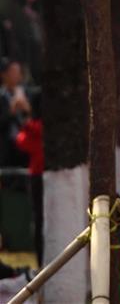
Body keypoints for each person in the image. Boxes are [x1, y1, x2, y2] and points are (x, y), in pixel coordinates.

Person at [15, 90, 43, 265]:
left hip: (36, 177)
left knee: (38, 221)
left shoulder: (32, 128)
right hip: (39, 176)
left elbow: (21, 141)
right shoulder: (37, 128)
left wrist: (24, 116)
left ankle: (41, 259)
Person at [0, 60, 31, 166]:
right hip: (6, 147)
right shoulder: (2, 96)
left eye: (18, 72)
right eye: (13, 72)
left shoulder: (26, 93)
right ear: (4, 75)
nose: (16, 75)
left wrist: (27, 108)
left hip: (25, 146)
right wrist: (11, 110)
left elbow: (34, 120)